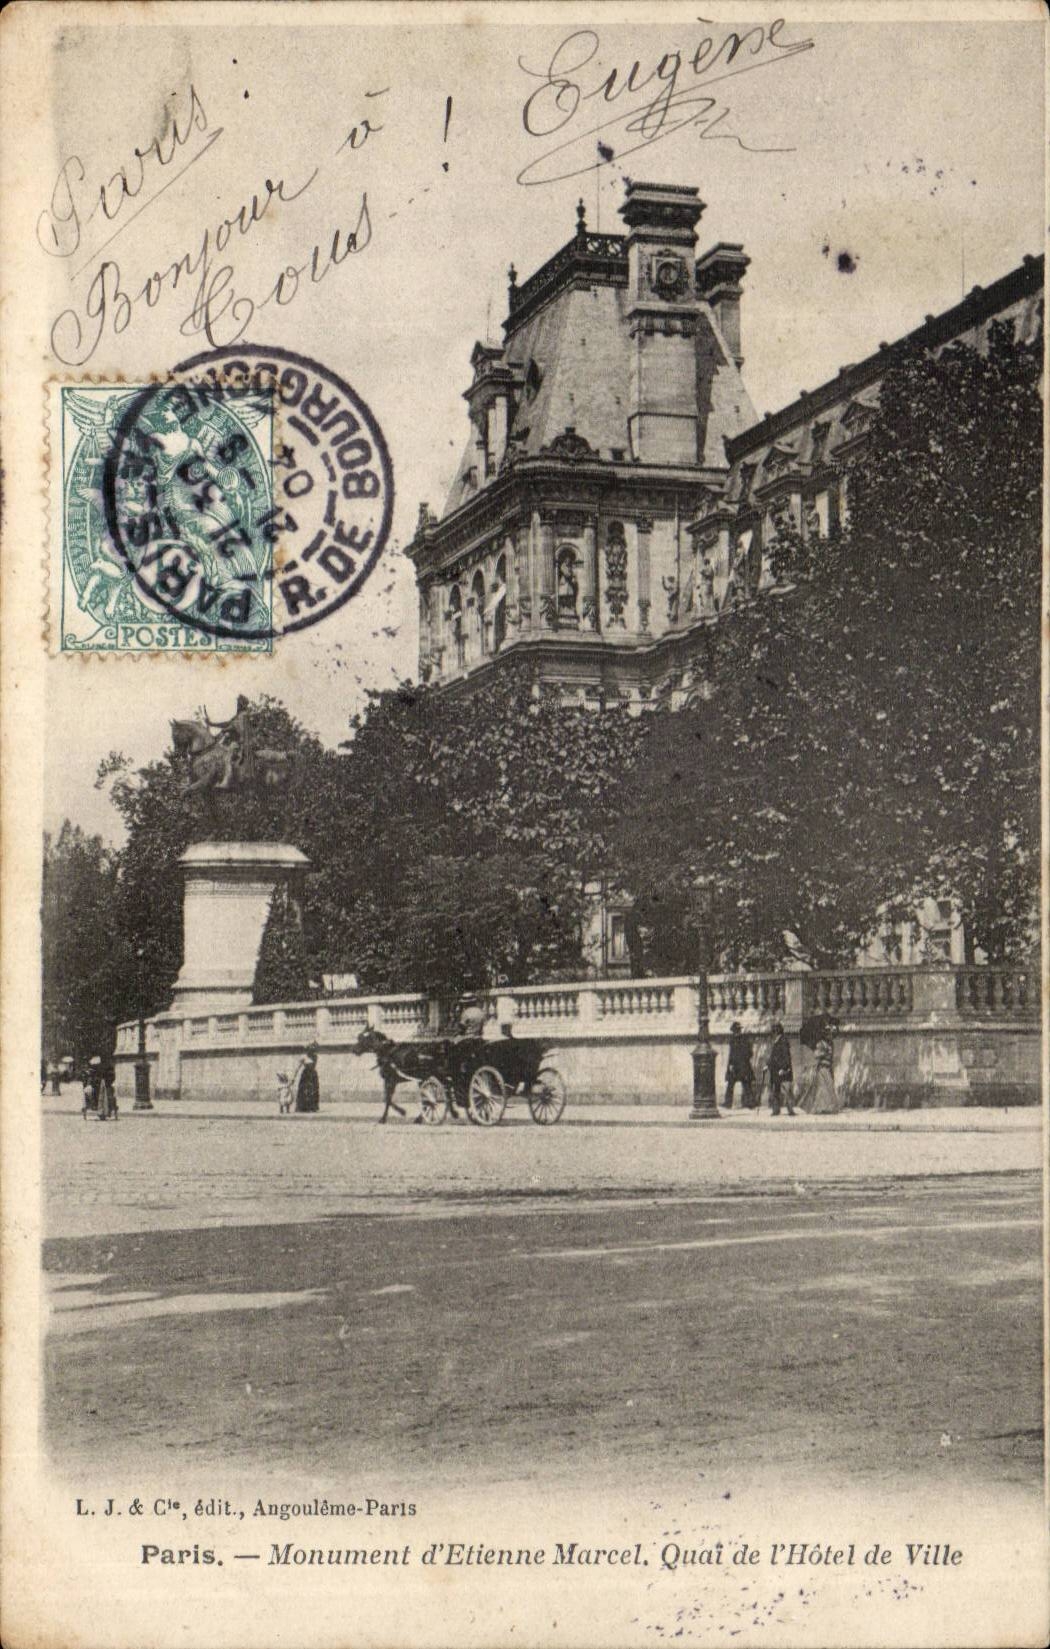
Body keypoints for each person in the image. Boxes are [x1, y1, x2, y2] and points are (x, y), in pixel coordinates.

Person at [798, 1034, 843, 1115]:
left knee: (827, 1088)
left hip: (826, 1068)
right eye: (827, 1033)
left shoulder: (829, 1044)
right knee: (821, 1088)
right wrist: (823, 1054)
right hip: (822, 1069)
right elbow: (816, 1054)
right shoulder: (821, 1044)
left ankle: (828, 1107)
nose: (830, 1035)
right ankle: (821, 1107)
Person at [723, 1021, 756, 1110]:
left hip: (741, 1065)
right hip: (737, 1066)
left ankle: (750, 1103)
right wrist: (731, 1064)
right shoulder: (734, 1040)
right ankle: (728, 1103)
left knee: (746, 1085)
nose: (736, 1032)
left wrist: (739, 1061)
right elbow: (732, 1054)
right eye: (736, 1030)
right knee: (732, 1085)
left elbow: (749, 1053)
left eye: (737, 1030)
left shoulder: (743, 1040)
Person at [766, 1022, 796, 1117]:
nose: (772, 1034)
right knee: (776, 1090)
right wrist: (768, 1065)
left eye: (774, 1032)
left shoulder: (783, 1041)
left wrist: (784, 1068)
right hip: (775, 1070)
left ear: (777, 1032)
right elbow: (773, 1056)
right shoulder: (777, 1041)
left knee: (786, 1090)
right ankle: (776, 1109)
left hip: (782, 1070)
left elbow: (786, 1056)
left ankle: (790, 1110)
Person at [291, 1048, 321, 1113]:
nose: (311, 1051)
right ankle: (302, 1107)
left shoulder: (315, 1056)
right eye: (309, 1049)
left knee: (313, 1090)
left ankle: (312, 1107)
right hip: (306, 1075)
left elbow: (313, 1066)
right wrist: (293, 1077)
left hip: (313, 1075)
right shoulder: (303, 1057)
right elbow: (297, 1067)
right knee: (304, 1090)